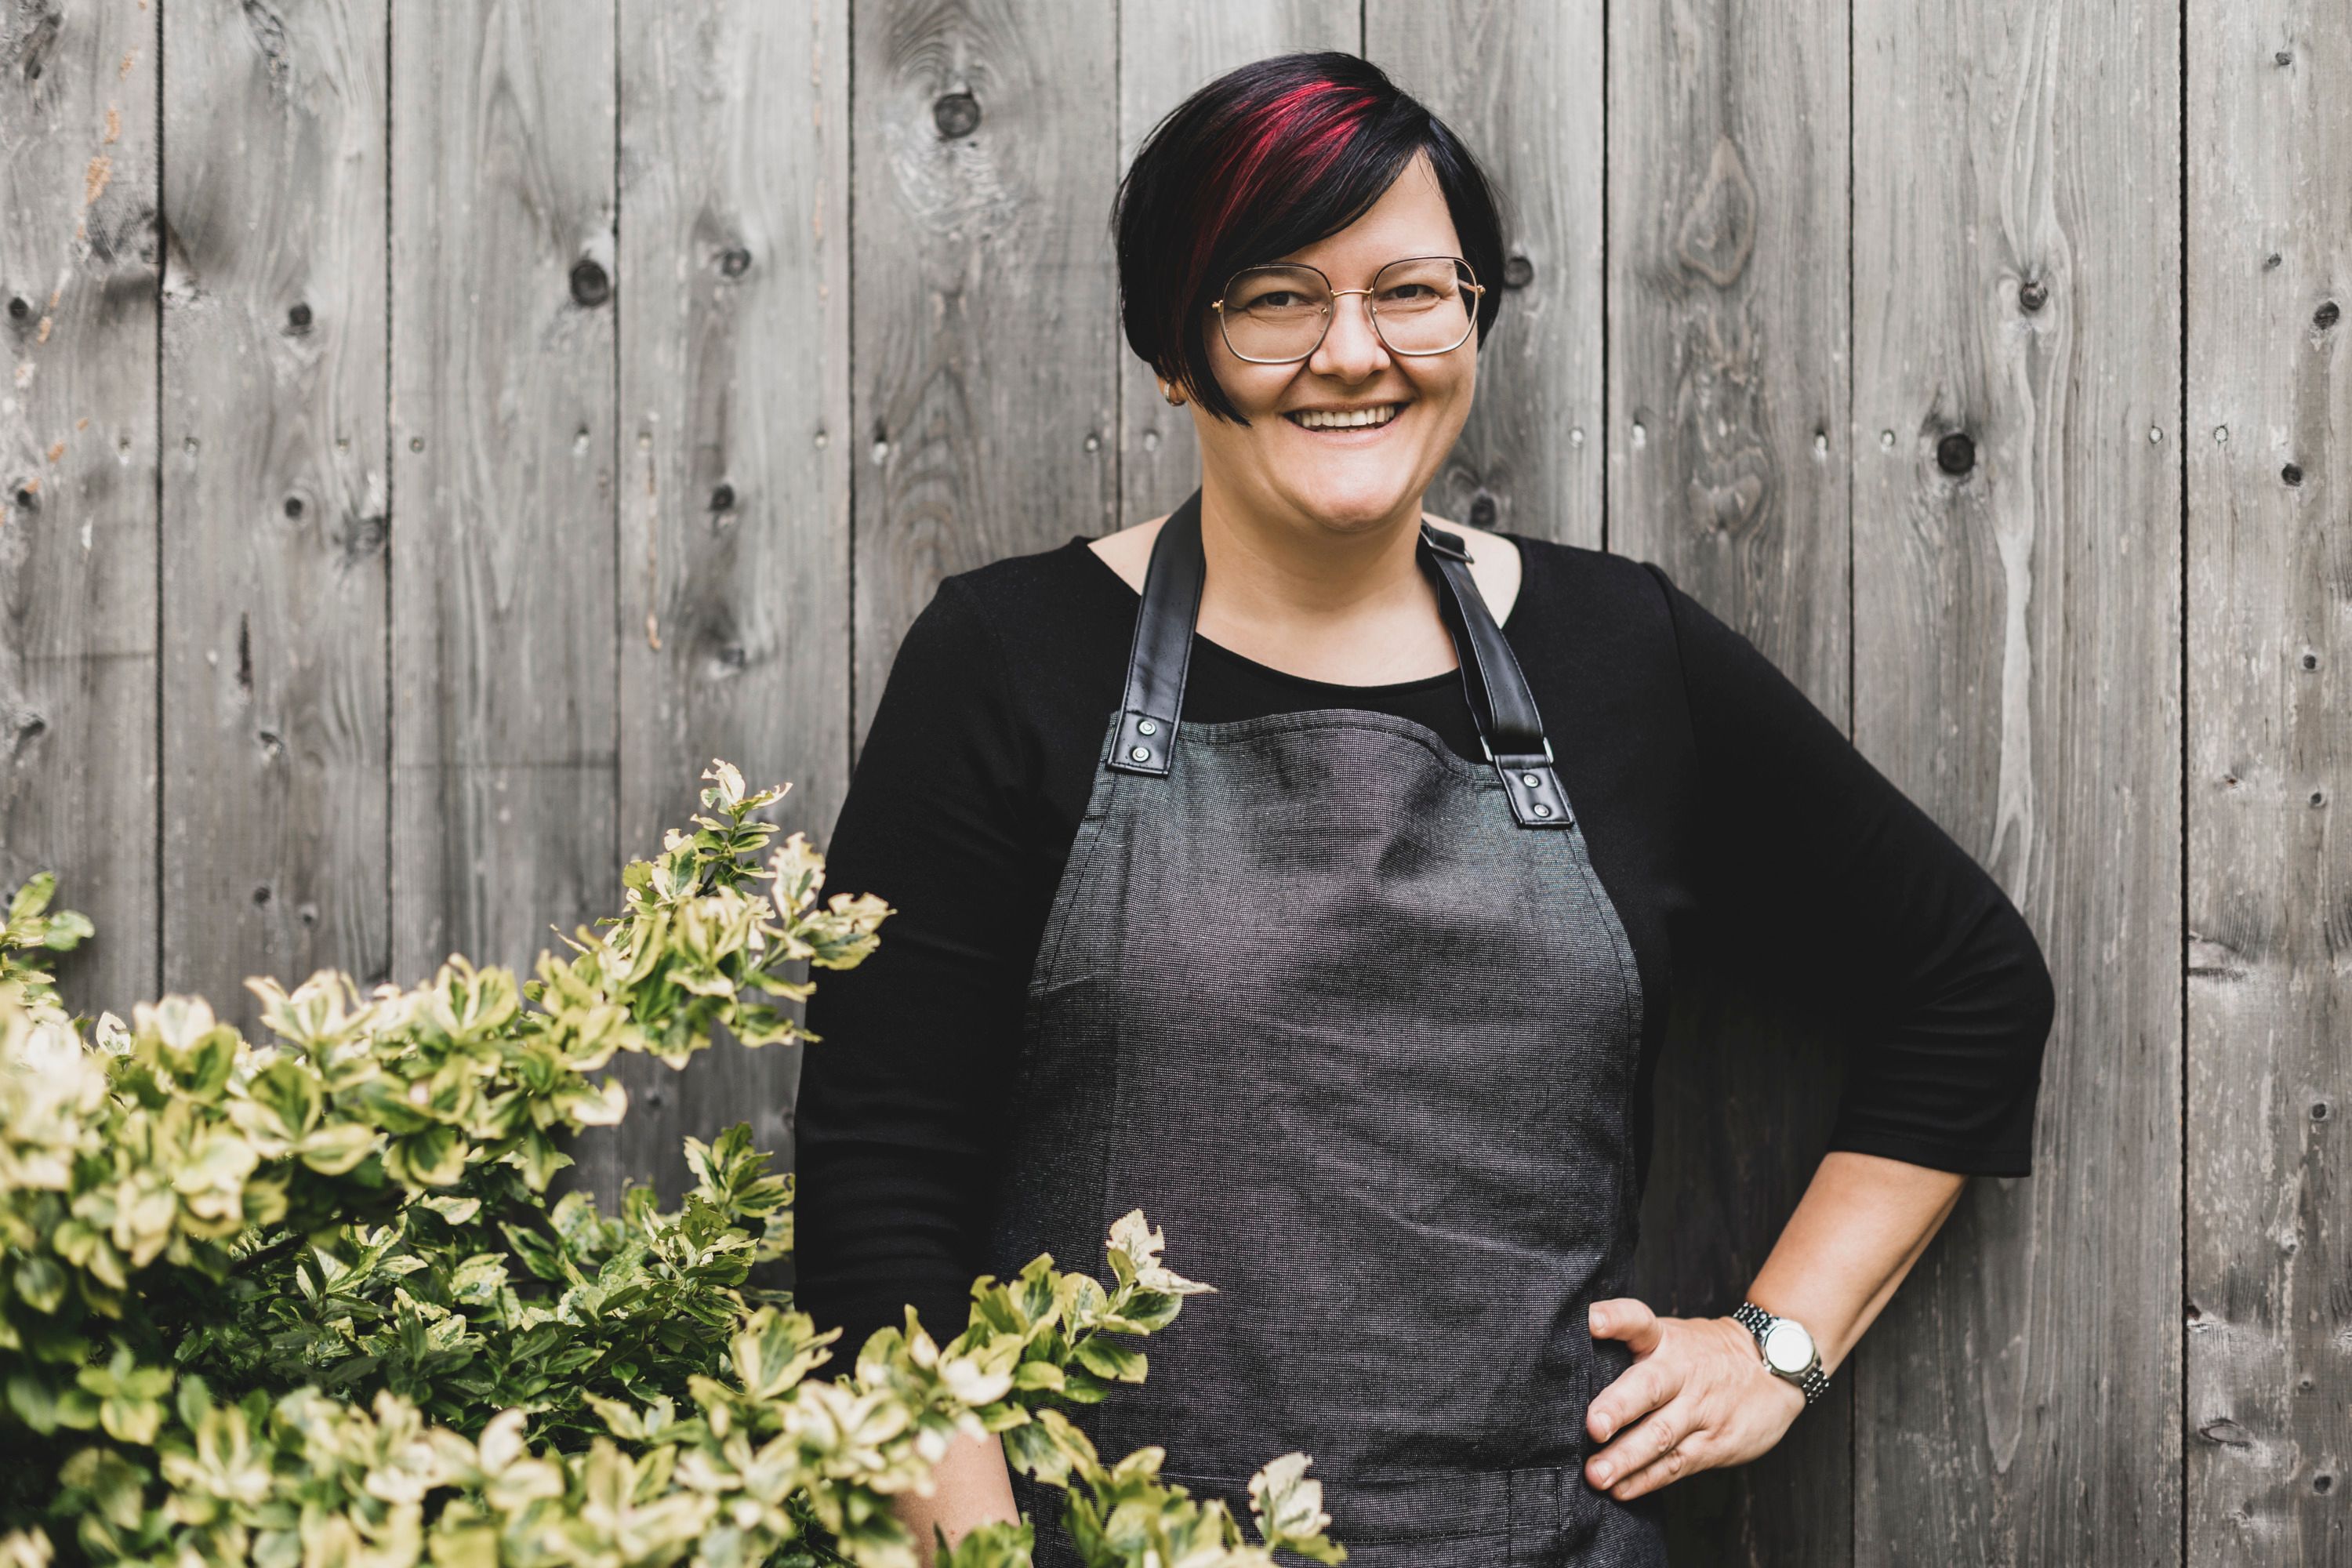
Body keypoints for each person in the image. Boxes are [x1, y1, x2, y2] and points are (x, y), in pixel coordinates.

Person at [792, 50, 2054, 1568]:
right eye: (1274, 295)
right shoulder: (1012, 657)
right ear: (1173, 348)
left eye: (1411, 291)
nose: (1352, 352)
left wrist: (1777, 1344)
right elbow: (880, 1174)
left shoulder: (1619, 651)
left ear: (1470, 320)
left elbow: (1968, 981)